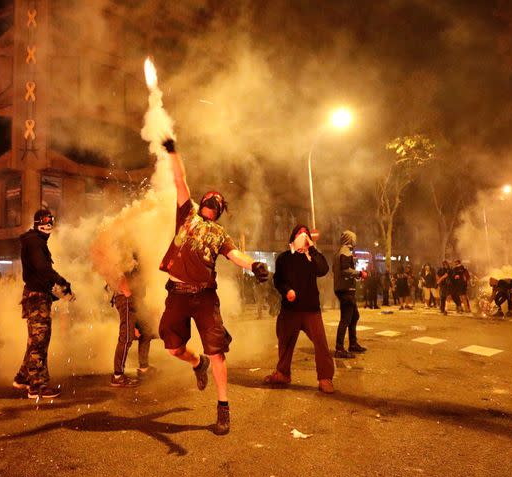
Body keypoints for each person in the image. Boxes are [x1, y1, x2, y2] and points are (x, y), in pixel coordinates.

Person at [157, 138, 269, 436]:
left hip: (205, 297)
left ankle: (223, 408)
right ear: (202, 203)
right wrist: (173, 151)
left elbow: (235, 255)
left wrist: (254, 265)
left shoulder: (220, 233)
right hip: (177, 294)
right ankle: (196, 362)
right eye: (210, 199)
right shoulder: (186, 216)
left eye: (218, 203)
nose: (212, 203)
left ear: (220, 211)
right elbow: (180, 179)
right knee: (172, 348)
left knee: (218, 353)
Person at [265, 224, 335, 393]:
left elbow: (323, 270)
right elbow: (278, 280)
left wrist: (312, 249)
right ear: (292, 237)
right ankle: (282, 373)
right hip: (290, 309)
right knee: (285, 342)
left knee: (320, 344)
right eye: (299, 233)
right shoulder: (283, 258)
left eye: (306, 234)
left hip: (311, 309)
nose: (303, 236)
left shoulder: (312, 257)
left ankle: (325, 378)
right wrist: (286, 290)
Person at [14, 209, 74, 400]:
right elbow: (42, 269)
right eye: (46, 221)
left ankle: (23, 378)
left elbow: (41, 271)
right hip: (36, 298)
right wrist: (62, 282)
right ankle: (37, 387)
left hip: (38, 296)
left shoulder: (35, 241)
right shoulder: (35, 242)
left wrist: (59, 289)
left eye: (51, 222)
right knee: (40, 341)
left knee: (35, 340)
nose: (49, 225)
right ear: (38, 222)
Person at [109, 259, 156, 387]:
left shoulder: (136, 248)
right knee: (126, 337)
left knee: (147, 330)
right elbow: (113, 269)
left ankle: (144, 368)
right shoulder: (123, 247)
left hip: (135, 298)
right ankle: (117, 376)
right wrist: (127, 293)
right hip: (126, 298)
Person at [332, 230, 367, 359]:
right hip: (346, 289)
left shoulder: (339, 252)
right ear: (350, 239)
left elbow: (335, 269)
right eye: (354, 239)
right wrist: (359, 273)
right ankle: (339, 348)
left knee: (354, 316)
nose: (355, 241)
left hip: (342, 288)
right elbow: (345, 270)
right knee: (346, 319)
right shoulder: (345, 252)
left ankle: (353, 344)